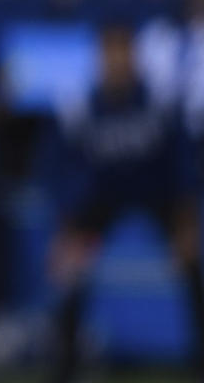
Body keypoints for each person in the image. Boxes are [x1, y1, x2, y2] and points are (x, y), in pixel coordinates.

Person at [49, 21, 204, 381]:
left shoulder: (159, 101)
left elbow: (180, 165)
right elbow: (63, 171)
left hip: (155, 194)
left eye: (124, 51)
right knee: (72, 273)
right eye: (110, 51)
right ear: (100, 57)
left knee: (193, 265)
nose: (117, 60)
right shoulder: (81, 106)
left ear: (135, 56)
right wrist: (68, 228)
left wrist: (186, 221)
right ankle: (65, 366)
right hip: (100, 200)